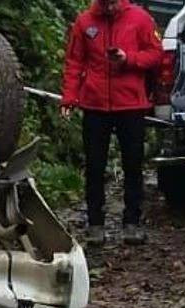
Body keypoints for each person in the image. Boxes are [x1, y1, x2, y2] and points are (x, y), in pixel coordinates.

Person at [61, 0, 162, 246]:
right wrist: (69, 97)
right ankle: (95, 223)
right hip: (95, 105)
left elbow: (156, 54)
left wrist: (129, 59)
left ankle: (132, 222)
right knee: (95, 166)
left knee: (133, 164)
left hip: (131, 104)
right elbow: (75, 62)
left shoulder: (140, 18)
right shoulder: (85, 21)